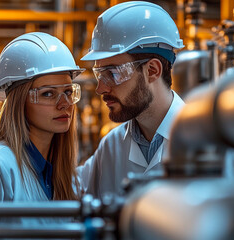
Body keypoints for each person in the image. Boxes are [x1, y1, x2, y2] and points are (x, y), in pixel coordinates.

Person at [0, 32, 84, 236]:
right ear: (19, 102)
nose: (64, 104)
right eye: (48, 93)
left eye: (68, 92)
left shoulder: (64, 176)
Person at [77, 1, 185, 198]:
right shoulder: (111, 146)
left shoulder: (210, 142)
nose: (101, 88)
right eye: (99, 74)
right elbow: (66, 190)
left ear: (152, 71)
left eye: (113, 73)